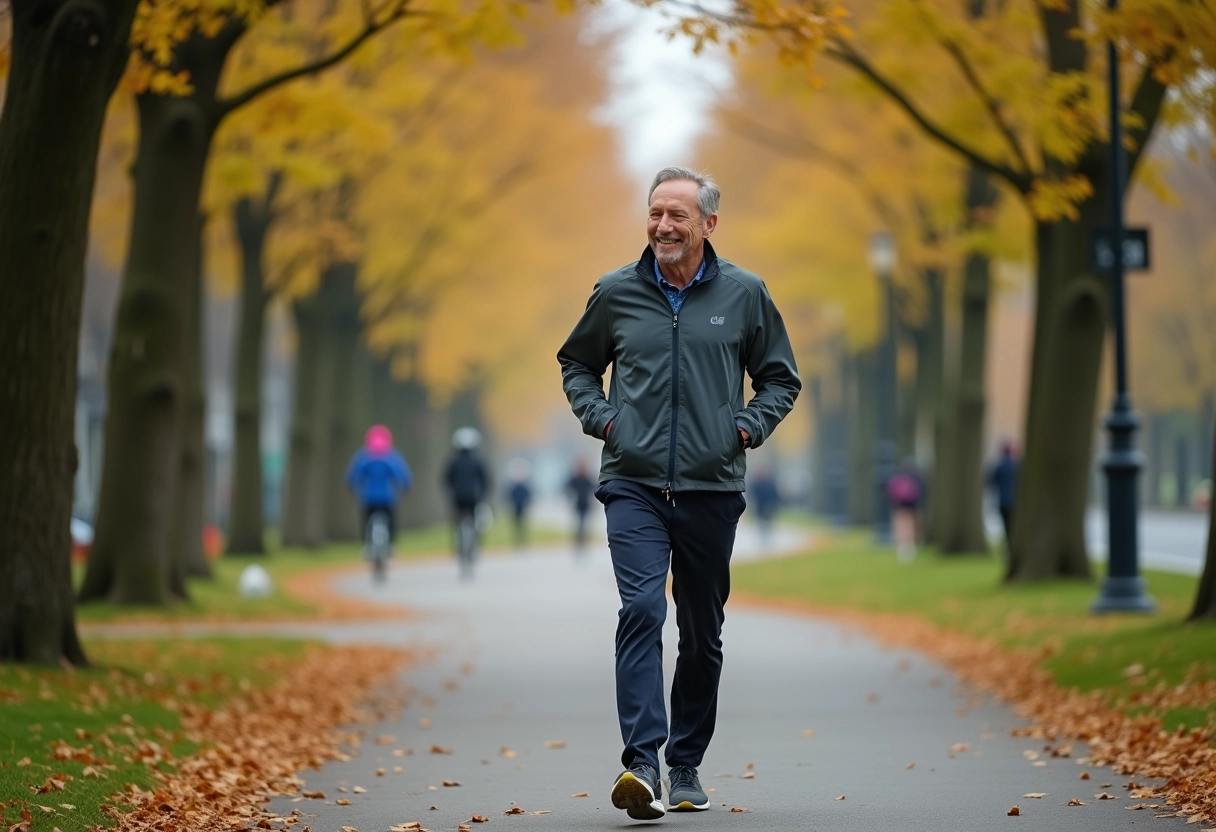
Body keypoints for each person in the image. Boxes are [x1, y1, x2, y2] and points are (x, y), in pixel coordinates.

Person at [557, 166, 801, 820]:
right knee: (641, 610)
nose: (663, 225)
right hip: (631, 484)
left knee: (702, 631)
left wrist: (746, 429)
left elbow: (781, 378)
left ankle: (686, 762)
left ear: (708, 224)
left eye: (678, 215)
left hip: (710, 489)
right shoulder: (615, 293)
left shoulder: (746, 294)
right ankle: (642, 762)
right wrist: (605, 420)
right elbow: (577, 363)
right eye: (656, 212)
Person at [345, 425, 412, 555]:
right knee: (391, 519)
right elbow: (403, 476)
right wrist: (405, 488)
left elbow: (353, 476)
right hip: (388, 497)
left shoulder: (364, 457)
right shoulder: (392, 457)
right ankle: (391, 543)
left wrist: (352, 487)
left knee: (366, 520)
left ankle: (366, 544)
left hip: (368, 497)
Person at [444, 426, 489, 576]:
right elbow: (485, 480)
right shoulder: (478, 461)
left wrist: (450, 492)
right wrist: (483, 494)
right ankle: (475, 544)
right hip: (473, 497)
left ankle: (457, 546)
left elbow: (446, 480)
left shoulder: (453, 461)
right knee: (475, 521)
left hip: (457, 498)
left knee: (457, 522)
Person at [886, 458, 924, 563]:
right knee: (910, 526)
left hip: (899, 507)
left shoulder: (897, 478)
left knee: (900, 526)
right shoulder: (915, 477)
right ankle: (910, 546)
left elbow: (890, 494)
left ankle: (902, 546)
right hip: (911, 507)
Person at [988, 440, 1019, 557]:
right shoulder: (1016, 466)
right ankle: (1012, 546)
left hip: (1002, 502)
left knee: (1006, 525)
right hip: (1015, 502)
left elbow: (992, 483)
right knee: (1013, 525)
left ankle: (1008, 546)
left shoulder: (999, 467)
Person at [566, 459, 596, 552]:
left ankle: (583, 540)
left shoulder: (587, 478)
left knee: (584, 523)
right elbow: (567, 488)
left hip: (586, 504)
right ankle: (579, 540)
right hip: (577, 504)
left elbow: (594, 488)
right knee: (579, 523)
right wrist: (571, 496)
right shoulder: (575, 478)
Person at [748, 468, 781, 545]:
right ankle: (763, 539)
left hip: (769, 507)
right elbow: (752, 494)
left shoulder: (770, 483)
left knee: (768, 523)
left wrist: (773, 505)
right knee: (761, 523)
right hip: (760, 507)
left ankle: (768, 539)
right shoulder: (756, 483)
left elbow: (775, 495)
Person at [505, 458, 533, 547]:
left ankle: (522, 540)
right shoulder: (513, 486)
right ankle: (517, 540)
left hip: (522, 506)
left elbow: (529, 495)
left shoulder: (524, 486)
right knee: (516, 524)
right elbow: (509, 496)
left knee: (522, 524)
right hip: (515, 506)